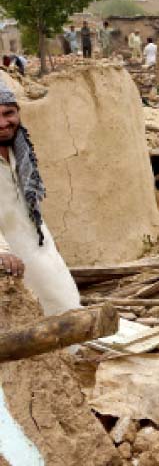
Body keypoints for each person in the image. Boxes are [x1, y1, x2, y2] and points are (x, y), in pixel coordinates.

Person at [0, 80, 81, 315]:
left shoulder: (21, 148)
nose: (3, 123)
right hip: (8, 254)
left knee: (65, 304)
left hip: (37, 244)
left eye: (9, 113)